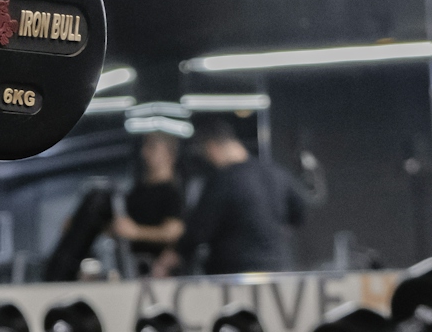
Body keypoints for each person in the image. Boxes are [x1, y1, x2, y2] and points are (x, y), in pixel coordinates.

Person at [158, 118, 308, 276]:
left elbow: (199, 230)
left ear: (212, 147)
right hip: (278, 269)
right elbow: (299, 212)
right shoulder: (276, 173)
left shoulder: (223, 180)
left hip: (234, 272)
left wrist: (175, 254)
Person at [113, 131, 187, 273]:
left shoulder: (172, 193)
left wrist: (136, 232)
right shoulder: (138, 191)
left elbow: (174, 231)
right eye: (145, 147)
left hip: (157, 270)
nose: (144, 153)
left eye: (152, 147)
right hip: (131, 266)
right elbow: (120, 225)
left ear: (169, 154)